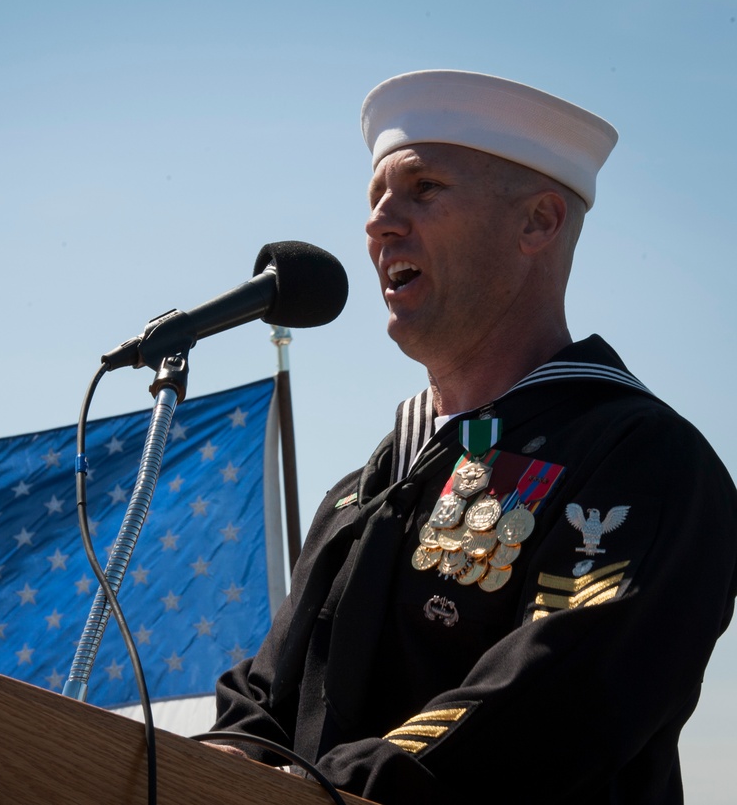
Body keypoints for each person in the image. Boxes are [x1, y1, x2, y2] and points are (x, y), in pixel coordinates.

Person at [210, 70, 737, 804]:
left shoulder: (641, 459)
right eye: (375, 199)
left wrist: (321, 790)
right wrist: (211, 760)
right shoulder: (362, 489)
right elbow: (268, 694)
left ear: (538, 222)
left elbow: (557, 696)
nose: (379, 223)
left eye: (423, 188)